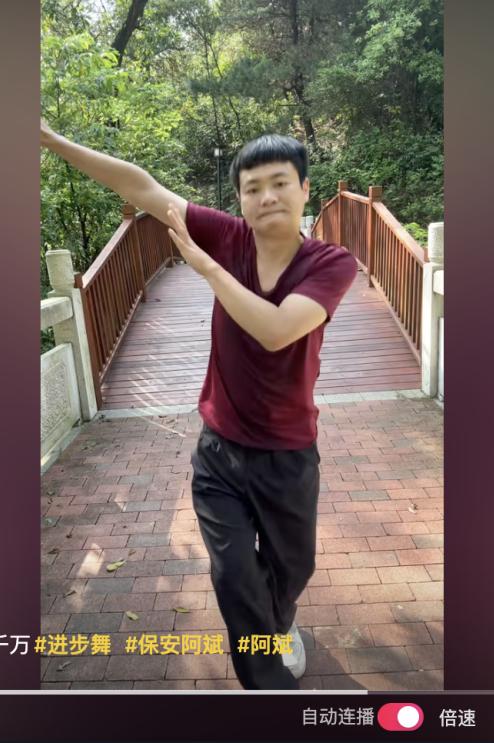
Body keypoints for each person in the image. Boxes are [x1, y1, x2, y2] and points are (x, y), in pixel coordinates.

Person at [41, 119, 357, 689]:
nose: (266, 196)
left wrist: (206, 268)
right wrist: (52, 142)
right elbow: (141, 187)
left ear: (305, 189)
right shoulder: (230, 236)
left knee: (292, 570)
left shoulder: (330, 263)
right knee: (234, 576)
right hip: (220, 454)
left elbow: (276, 331)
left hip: (288, 454)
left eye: (280, 183)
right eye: (252, 187)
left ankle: (278, 623)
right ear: (239, 199)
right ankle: (270, 687)